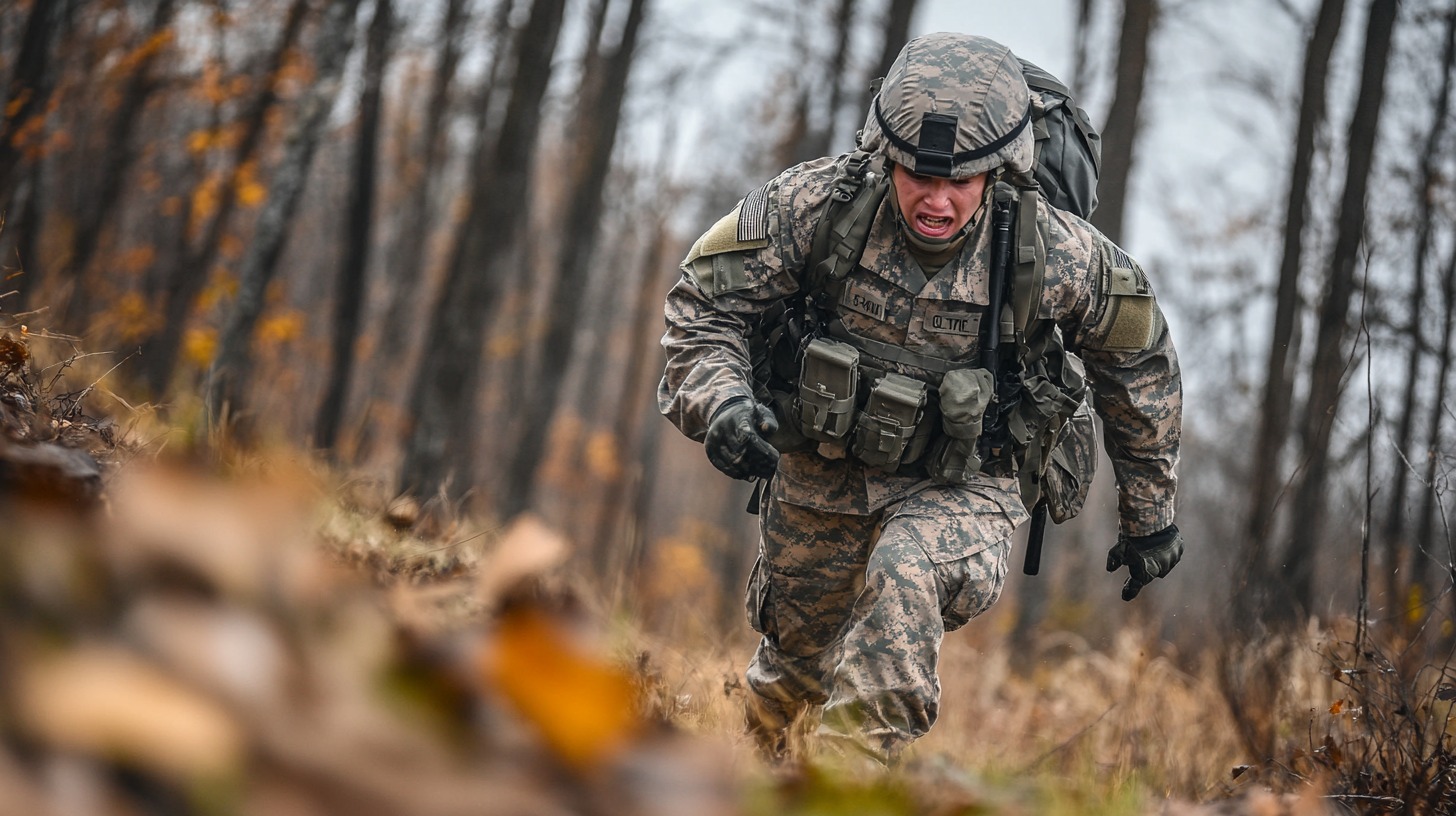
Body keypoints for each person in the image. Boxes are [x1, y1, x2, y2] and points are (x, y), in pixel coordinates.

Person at [657, 31, 1183, 764]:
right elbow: (702, 304)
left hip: (966, 482)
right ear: (886, 155)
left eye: (961, 181)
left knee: (905, 571)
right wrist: (721, 403)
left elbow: (1140, 363)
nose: (937, 199)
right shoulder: (813, 204)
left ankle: (845, 791)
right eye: (917, 175)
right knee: (792, 679)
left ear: (1000, 170)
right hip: (824, 468)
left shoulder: (1058, 253)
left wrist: (1150, 514)